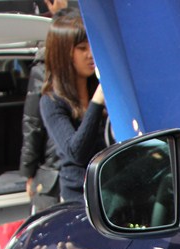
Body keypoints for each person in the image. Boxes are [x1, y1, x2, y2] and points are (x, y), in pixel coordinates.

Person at [39, 9, 107, 203]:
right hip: (79, 197)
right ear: (64, 54)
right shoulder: (51, 101)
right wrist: (96, 103)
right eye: (82, 48)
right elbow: (76, 153)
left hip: (111, 187)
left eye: (91, 46)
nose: (90, 54)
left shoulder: (99, 88)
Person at [19, 2, 69, 212]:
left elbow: (32, 124)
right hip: (54, 175)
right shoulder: (44, 69)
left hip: (59, 173)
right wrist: (29, 172)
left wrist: (28, 172)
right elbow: (33, 123)